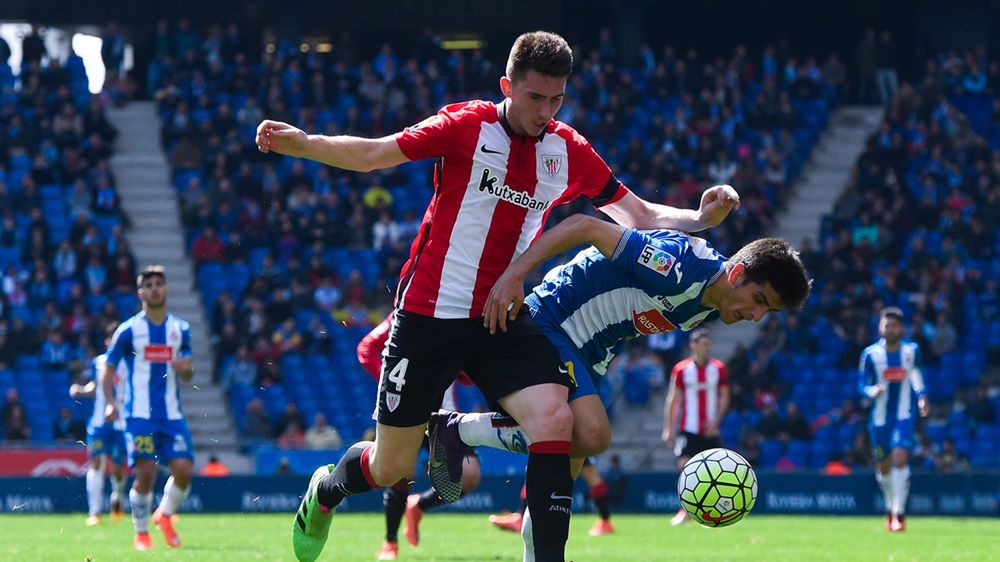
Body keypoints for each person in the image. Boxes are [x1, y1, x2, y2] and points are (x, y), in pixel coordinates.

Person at [257, 31, 738, 562]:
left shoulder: (568, 149)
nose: (546, 111)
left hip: (499, 316)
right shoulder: (466, 125)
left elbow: (638, 214)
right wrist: (304, 143)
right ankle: (326, 491)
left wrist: (697, 218)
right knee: (392, 467)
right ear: (507, 86)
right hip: (428, 315)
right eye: (536, 97)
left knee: (558, 420)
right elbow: (374, 154)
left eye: (557, 99)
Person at [427, 214, 810, 545]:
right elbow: (585, 226)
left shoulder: (713, 304)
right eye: (760, 299)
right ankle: (460, 431)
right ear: (738, 273)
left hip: (592, 349)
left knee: (564, 477)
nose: (757, 316)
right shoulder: (677, 267)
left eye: (768, 311)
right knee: (593, 435)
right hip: (554, 318)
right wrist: (516, 273)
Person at [356, 314, 482, 561]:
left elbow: (466, 376)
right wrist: (398, 384)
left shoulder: (460, 314)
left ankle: (419, 505)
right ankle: (390, 543)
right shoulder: (404, 315)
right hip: (407, 408)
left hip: (444, 414)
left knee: (469, 476)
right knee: (401, 471)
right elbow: (366, 349)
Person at [102, 266, 195, 550]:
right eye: (149, 285)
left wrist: (186, 369)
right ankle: (141, 532)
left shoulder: (181, 330)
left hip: (171, 414)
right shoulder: (128, 331)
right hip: (139, 414)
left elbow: (189, 373)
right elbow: (108, 369)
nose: (155, 288)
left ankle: (164, 514)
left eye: (159, 284)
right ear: (141, 292)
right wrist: (108, 402)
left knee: (184, 469)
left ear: (165, 289)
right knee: (147, 473)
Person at [859, 307, 929, 532]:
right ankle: (890, 507)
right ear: (880, 327)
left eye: (894, 325)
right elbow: (861, 384)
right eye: (886, 325)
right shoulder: (870, 354)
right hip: (879, 419)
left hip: (904, 416)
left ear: (902, 328)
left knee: (900, 458)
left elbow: (917, 376)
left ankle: (899, 513)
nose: (890, 329)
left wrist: (922, 397)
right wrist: (871, 391)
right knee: (884, 467)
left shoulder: (911, 351)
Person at [661, 328, 730, 526]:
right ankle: (685, 509)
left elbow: (725, 396)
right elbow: (673, 399)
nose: (707, 348)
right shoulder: (682, 369)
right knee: (683, 467)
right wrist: (669, 428)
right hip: (688, 428)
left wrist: (716, 421)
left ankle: (713, 508)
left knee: (715, 473)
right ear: (693, 345)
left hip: (711, 429)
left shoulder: (718, 368)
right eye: (703, 344)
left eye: (709, 344)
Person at [70, 328, 129, 526]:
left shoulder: (130, 361)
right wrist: (81, 390)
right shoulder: (99, 362)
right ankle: (94, 512)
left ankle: (117, 496)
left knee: (119, 468)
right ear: (107, 341)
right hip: (99, 423)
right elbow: (95, 387)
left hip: (121, 423)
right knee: (96, 464)